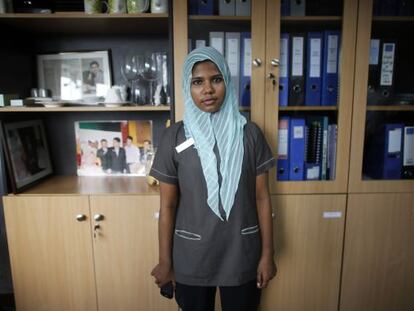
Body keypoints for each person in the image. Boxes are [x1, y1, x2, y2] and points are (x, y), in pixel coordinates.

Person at [150, 47, 277, 311]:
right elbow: (168, 206)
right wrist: (165, 261)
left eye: (216, 79)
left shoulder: (250, 134)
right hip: (192, 256)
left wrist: (267, 255)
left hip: (241, 254)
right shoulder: (174, 137)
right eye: (198, 82)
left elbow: (262, 197)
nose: (208, 89)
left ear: (227, 83)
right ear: (188, 87)